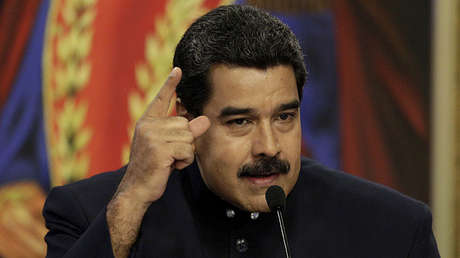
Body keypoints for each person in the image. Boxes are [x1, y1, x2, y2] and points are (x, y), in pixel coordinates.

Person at [43, 5, 439, 258]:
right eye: (240, 122)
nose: (269, 147)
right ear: (186, 118)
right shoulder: (89, 214)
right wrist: (129, 204)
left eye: (284, 117)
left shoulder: (393, 231)